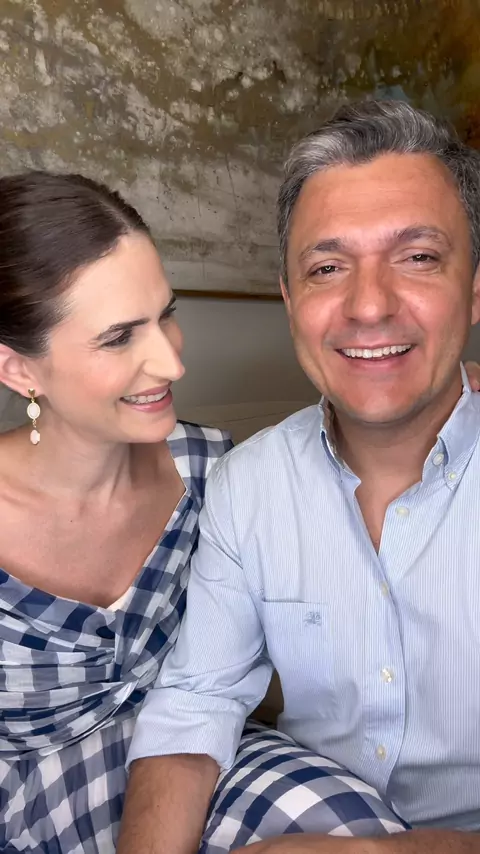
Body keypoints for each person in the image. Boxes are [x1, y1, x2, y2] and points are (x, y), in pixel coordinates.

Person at [118, 99, 480, 854]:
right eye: (326, 268)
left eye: (418, 257)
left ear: (474, 288)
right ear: (290, 302)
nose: (369, 305)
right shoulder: (247, 485)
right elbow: (197, 701)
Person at [0, 171, 232, 853]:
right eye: (119, 337)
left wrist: (437, 399)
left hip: (194, 763)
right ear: (19, 370)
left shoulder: (213, 468)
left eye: (166, 315)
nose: (171, 363)